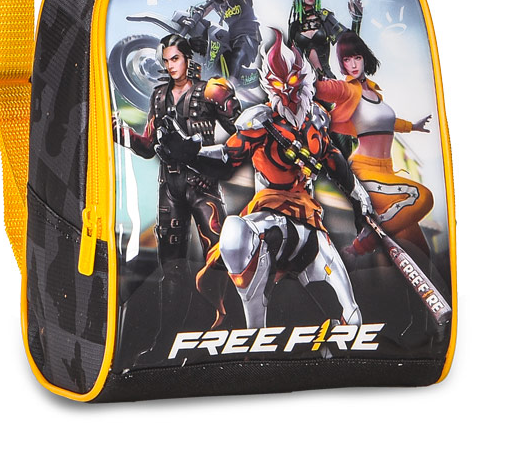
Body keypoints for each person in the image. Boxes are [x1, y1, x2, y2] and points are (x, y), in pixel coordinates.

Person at [157, 30, 373, 330]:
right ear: (270, 86)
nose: (288, 93)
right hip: (271, 216)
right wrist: (191, 153)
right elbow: (227, 158)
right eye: (279, 85)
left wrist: (361, 204)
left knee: (352, 318)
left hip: (310, 222)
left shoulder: (316, 120)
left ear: (305, 81)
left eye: (293, 82)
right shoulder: (260, 122)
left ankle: (325, 348)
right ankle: (253, 328)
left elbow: (336, 164)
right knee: (234, 234)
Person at [113, 33, 241, 359]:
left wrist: (205, 152)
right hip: (170, 187)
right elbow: (147, 146)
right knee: (171, 269)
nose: (171, 66)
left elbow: (242, 135)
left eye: (176, 59)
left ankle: (225, 333)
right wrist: (121, 133)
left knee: (220, 257)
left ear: (187, 58)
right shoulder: (158, 96)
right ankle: (166, 342)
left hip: (203, 184)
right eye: (166, 60)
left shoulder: (210, 91)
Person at [314, 31, 434, 263]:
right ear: (342, 64)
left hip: (386, 172)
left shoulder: (373, 91)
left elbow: (385, 122)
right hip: (364, 172)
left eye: (356, 58)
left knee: (420, 253)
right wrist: (301, 73)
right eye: (346, 60)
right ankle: (365, 240)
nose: (352, 64)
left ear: (364, 58)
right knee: (422, 197)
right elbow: (321, 88)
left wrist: (413, 126)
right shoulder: (346, 89)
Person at [287, 0, 363, 78]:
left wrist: (356, 19)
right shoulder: (294, 26)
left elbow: (350, 42)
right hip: (305, 83)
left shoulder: (324, 17)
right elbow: (290, 61)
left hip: (328, 81)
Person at [195, 0, 262, 83]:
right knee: (219, 57)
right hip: (231, 36)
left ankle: (231, 85)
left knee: (238, 54)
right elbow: (205, 9)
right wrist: (195, 13)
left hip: (249, 33)